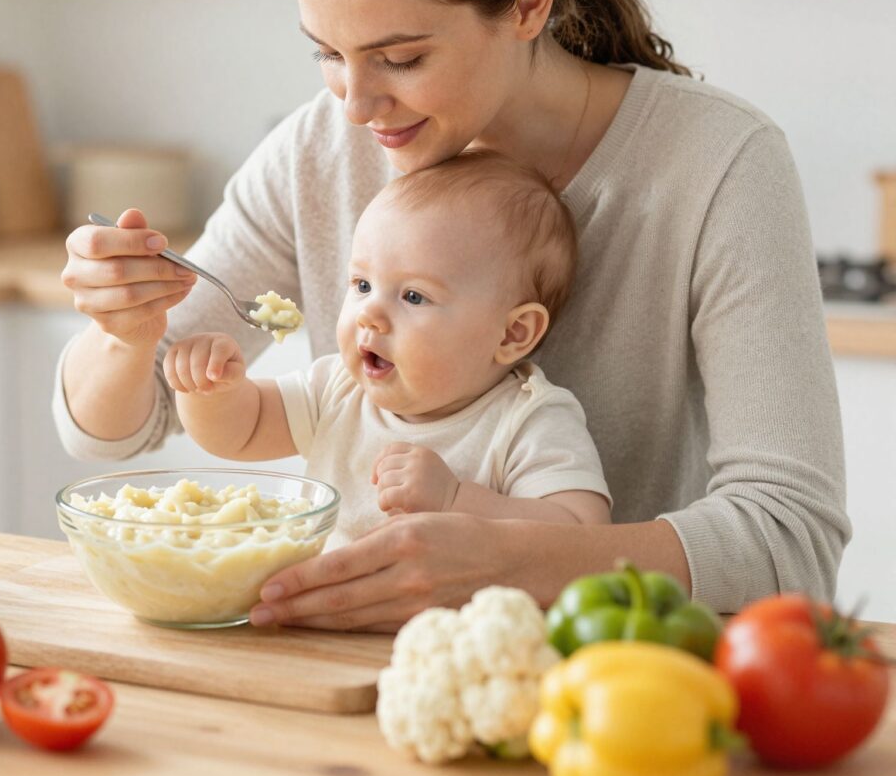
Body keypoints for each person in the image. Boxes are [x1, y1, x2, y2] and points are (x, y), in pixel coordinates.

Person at [55, 0, 848, 632]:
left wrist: (508, 556)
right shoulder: (320, 149)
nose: (355, 105)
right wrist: (123, 333)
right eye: (327, 54)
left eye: (399, 58)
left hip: (623, 678)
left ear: (528, 6)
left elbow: (788, 540)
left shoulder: (716, 161)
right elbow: (116, 430)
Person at [163, 151, 611, 541]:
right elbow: (241, 430)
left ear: (513, 333)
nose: (368, 314)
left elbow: (582, 534)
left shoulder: (528, 421)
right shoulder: (337, 389)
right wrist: (209, 389)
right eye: (361, 284)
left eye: (413, 296)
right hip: (315, 620)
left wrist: (456, 499)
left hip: (441, 633)